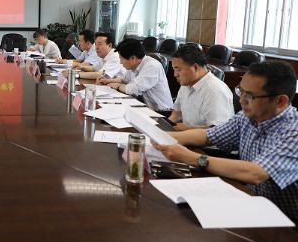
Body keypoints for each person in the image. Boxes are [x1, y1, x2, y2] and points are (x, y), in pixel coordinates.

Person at [155, 62, 298, 222]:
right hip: (252, 203)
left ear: (280, 101)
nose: (242, 100)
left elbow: (256, 173)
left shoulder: (294, 131)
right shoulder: (247, 117)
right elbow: (207, 135)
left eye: (250, 96)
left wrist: (190, 158)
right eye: (240, 91)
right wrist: (161, 136)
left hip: (286, 221)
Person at [168, 44, 234, 130]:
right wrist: (162, 126)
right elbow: (176, 115)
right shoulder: (186, 84)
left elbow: (219, 131)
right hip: (186, 135)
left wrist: (188, 129)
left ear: (195, 67)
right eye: (174, 70)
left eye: (178, 70)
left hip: (202, 139)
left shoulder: (215, 91)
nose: (175, 75)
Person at [100, 38, 173, 112]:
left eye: (121, 59)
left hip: (162, 112)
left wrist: (118, 86)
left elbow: (133, 89)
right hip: (144, 108)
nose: (120, 62)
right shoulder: (133, 66)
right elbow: (124, 80)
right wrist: (108, 81)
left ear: (133, 58)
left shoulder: (152, 66)